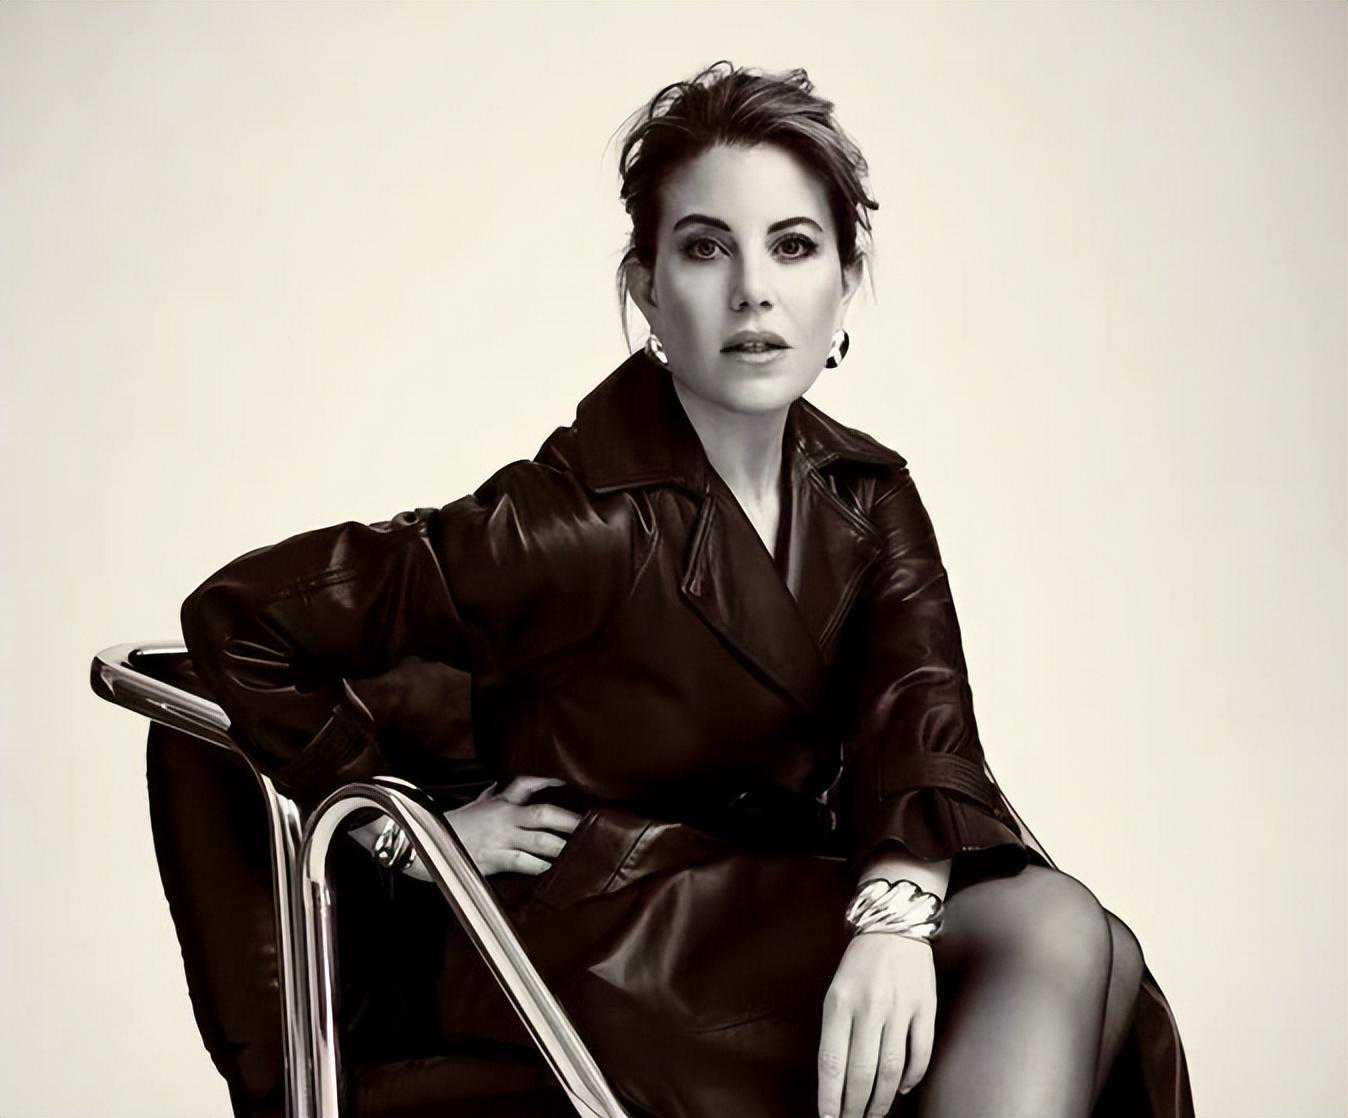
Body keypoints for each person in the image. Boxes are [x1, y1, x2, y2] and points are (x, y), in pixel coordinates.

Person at [180, 61, 1194, 1118]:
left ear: (846, 279)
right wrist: (411, 833)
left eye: (792, 246)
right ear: (646, 288)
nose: (753, 290)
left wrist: (897, 915)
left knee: (1083, 945)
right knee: (1055, 934)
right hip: (595, 934)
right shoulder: (571, 518)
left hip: (781, 895)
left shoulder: (866, 494)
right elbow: (237, 615)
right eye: (707, 248)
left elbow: (921, 717)